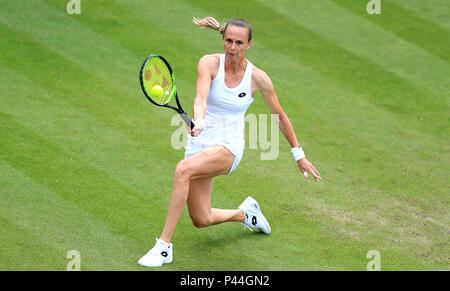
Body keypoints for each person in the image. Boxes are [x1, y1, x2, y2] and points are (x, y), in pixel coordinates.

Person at [138, 17, 321, 267]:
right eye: (228, 41)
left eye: (238, 42)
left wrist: (298, 154)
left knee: (182, 170)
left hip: (229, 146)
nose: (232, 47)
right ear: (222, 39)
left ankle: (163, 247)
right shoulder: (209, 63)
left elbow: (280, 116)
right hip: (200, 144)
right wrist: (199, 120)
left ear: (249, 44)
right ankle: (246, 214)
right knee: (201, 219)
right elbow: (200, 98)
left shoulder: (259, 78)